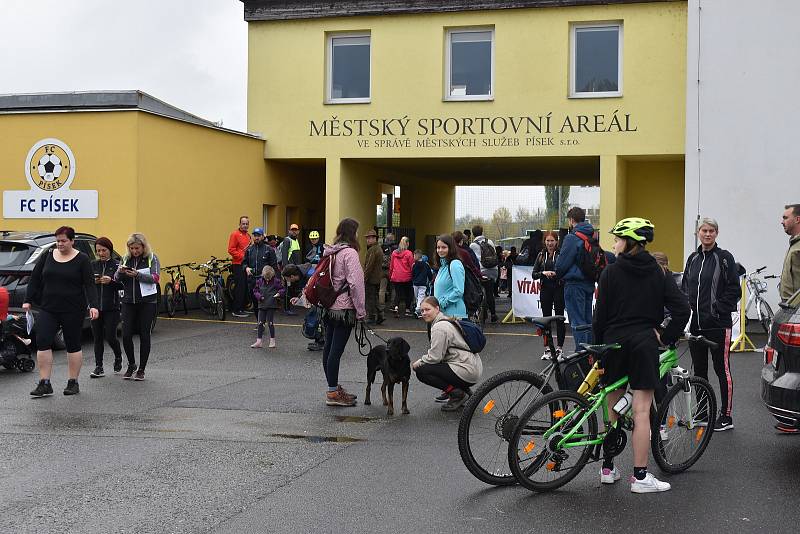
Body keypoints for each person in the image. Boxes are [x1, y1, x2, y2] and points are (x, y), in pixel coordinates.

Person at [593, 217, 689, 493]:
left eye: (617, 239)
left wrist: (598, 352)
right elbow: (682, 310)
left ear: (630, 242)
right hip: (643, 343)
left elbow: (599, 318)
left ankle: (608, 468)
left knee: (612, 408)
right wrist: (666, 336)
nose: (613, 244)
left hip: (613, 343)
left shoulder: (610, 273)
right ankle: (640, 477)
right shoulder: (659, 272)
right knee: (642, 409)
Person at [681, 217, 741, 432]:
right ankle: (703, 412)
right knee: (699, 372)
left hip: (718, 325)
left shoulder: (724, 258)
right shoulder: (693, 258)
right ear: (698, 232)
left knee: (721, 370)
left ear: (716, 233)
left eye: (711, 231)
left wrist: (716, 309)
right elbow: (686, 287)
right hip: (696, 325)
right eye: (704, 230)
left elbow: (735, 290)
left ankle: (726, 416)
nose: (707, 234)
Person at [25, 226, 99, 397]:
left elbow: (89, 284)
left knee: (72, 345)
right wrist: (27, 300)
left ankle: (72, 382)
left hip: (73, 309)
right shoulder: (48, 256)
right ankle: (45, 383)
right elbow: (35, 278)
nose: (60, 244)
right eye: (57, 241)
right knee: (43, 340)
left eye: (64, 241)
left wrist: (93, 305)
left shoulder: (82, 259)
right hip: (49, 307)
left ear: (72, 241)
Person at [315, 218, 366, 407]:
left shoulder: (332, 251)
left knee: (328, 348)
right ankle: (333, 394)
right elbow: (356, 284)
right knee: (336, 351)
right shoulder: (350, 253)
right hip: (344, 308)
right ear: (353, 233)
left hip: (329, 306)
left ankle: (333, 387)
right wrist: (361, 311)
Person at [412, 296, 483, 412]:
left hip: (466, 369)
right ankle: (464, 390)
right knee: (438, 365)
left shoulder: (439, 327)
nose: (424, 313)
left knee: (422, 370)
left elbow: (435, 357)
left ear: (437, 308)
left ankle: (457, 394)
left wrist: (419, 361)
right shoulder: (445, 319)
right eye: (422, 310)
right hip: (472, 366)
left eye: (427, 309)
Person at [115, 233, 161, 381]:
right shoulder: (126, 258)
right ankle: (131, 365)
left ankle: (141, 369)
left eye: (137, 248)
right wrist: (120, 272)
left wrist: (137, 275)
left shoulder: (151, 258)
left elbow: (155, 278)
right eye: (132, 248)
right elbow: (116, 278)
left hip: (147, 302)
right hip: (128, 301)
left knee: (144, 334)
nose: (134, 251)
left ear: (143, 246)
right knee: (126, 334)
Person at [555, 206, 596, 348]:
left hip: (574, 284)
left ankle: (581, 356)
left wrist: (558, 275)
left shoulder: (572, 238)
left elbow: (561, 265)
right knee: (587, 320)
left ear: (572, 220)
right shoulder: (591, 236)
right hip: (589, 283)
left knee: (577, 322)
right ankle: (590, 355)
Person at [89, 237, 124, 378]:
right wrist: (94, 281)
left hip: (112, 307)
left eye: (104, 250)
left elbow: (123, 284)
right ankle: (99, 366)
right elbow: (86, 284)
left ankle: (118, 356)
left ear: (110, 250)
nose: (101, 253)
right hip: (96, 307)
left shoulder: (117, 265)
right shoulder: (93, 265)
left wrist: (112, 281)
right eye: (98, 251)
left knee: (110, 336)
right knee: (97, 337)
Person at [532, 231, 565, 358]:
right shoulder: (541, 255)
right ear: (544, 242)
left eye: (552, 241)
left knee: (559, 318)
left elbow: (564, 271)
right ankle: (547, 349)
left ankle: (559, 348)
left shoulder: (561, 254)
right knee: (545, 319)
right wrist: (543, 273)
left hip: (558, 288)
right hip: (545, 289)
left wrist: (556, 274)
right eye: (548, 241)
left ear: (556, 242)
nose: (550, 243)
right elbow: (534, 274)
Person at [470, 225, 499, 323]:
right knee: (489, 292)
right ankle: (493, 314)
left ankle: (481, 313)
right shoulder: (490, 241)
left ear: (473, 233)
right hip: (493, 270)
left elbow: (472, 260)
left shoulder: (472, 245)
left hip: (481, 271)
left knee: (478, 292)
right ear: (482, 232)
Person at [244, 227, 277, 311]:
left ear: (263, 237)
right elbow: (244, 263)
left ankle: (264, 322)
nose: (256, 237)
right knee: (255, 305)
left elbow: (274, 266)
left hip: (265, 282)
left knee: (265, 305)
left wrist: (275, 281)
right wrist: (246, 268)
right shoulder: (249, 250)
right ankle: (260, 322)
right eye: (255, 235)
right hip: (252, 281)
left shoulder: (269, 249)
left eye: (258, 235)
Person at [433, 234, 466, 319]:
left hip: (453, 314)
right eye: (438, 247)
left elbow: (459, 291)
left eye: (444, 247)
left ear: (451, 248)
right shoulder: (443, 266)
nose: (440, 250)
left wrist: (443, 303)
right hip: (443, 313)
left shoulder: (455, 264)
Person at [251, 266, 284, 349]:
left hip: (271, 305)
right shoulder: (259, 281)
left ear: (272, 275)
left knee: (270, 323)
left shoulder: (276, 281)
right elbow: (255, 291)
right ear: (263, 275)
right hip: (262, 305)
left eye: (269, 278)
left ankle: (272, 340)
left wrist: (279, 293)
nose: (268, 280)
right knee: (260, 323)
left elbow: (282, 289)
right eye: (266, 278)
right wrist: (259, 296)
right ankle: (259, 341)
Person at [228, 216, 252, 318]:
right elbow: (231, 249)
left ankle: (243, 307)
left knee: (246, 287)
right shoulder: (235, 234)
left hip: (246, 264)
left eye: (247, 224)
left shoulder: (248, 235)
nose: (245, 225)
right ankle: (236, 309)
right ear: (239, 224)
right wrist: (243, 257)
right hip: (238, 264)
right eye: (243, 223)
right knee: (240, 287)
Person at [363, 229, 385, 325]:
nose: (367, 240)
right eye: (367, 238)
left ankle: (371, 317)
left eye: (369, 238)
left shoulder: (372, 250)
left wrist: (364, 278)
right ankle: (380, 315)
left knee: (370, 298)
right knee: (374, 297)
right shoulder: (378, 248)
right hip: (377, 278)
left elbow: (369, 266)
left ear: (374, 238)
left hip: (371, 279)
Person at [389, 236, 415, 317]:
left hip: (396, 276)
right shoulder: (409, 253)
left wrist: (391, 275)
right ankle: (407, 309)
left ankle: (396, 307)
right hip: (406, 276)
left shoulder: (394, 253)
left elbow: (391, 265)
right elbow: (411, 266)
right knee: (408, 293)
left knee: (398, 293)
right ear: (407, 243)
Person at [780, 204, 800, 301]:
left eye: (785, 218)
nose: (782, 222)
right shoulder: (794, 244)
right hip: (790, 307)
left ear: (797, 219)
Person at [412, 249, 433, 317]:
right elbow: (429, 274)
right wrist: (430, 279)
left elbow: (413, 274)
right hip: (423, 283)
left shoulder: (414, 265)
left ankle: (417, 308)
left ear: (415, 256)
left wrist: (413, 280)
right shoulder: (426, 265)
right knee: (421, 296)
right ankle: (418, 309)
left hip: (415, 283)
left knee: (416, 296)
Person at [380, 233, 397, 309]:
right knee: (393, 288)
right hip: (392, 270)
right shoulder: (396, 248)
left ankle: (381, 305)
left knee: (382, 289)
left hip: (383, 269)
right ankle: (392, 304)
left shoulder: (382, 246)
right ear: (393, 238)